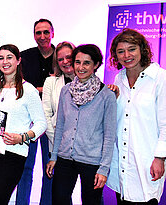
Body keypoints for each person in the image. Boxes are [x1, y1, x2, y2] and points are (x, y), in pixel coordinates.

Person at [46, 44, 117, 205]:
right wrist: (54, 156)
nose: (81, 67)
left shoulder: (107, 95)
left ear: (96, 65)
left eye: (87, 63)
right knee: (59, 200)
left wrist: (104, 168)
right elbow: (60, 128)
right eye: (77, 62)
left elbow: (109, 135)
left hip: (92, 162)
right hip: (64, 158)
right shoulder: (66, 91)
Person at [0, 44, 47, 204]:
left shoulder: (28, 90)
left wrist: (22, 138)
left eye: (9, 57)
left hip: (13, 153)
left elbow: (41, 123)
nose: (5, 62)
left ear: (18, 61)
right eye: (1, 58)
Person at [106, 28, 166, 204]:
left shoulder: (159, 78)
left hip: (147, 159)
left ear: (142, 49)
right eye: (120, 51)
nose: (127, 55)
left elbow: (165, 123)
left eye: (132, 49)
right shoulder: (119, 79)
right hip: (122, 162)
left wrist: (160, 158)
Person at [16, 18, 55, 205]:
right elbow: (19, 86)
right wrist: (43, 89)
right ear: (34, 35)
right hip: (29, 121)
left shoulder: (62, 57)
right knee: (25, 167)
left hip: (54, 121)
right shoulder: (24, 57)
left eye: (46, 32)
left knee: (50, 167)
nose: (42, 36)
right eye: (38, 33)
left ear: (52, 33)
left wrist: (38, 89)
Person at [42, 41, 75, 155]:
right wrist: (58, 142)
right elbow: (45, 115)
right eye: (60, 59)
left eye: (68, 57)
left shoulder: (92, 83)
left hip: (83, 148)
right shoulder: (50, 82)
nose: (65, 62)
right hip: (57, 147)